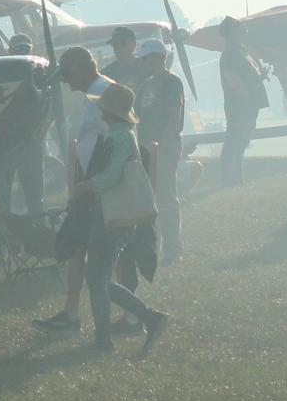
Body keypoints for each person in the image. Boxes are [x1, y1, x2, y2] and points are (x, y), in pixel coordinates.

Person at [79, 83, 169, 353]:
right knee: (100, 279)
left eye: (103, 106)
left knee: (97, 279)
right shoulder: (125, 134)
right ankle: (148, 319)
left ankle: (105, 339)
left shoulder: (117, 138)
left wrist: (87, 185)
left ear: (110, 111)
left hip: (112, 215)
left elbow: (111, 177)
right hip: (121, 216)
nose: (100, 110)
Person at [33, 46, 113, 333]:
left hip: (97, 185)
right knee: (78, 248)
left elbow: (112, 141)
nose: (65, 81)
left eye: (67, 74)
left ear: (80, 67)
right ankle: (71, 313)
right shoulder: (97, 92)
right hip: (90, 182)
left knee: (95, 253)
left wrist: (89, 185)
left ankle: (129, 317)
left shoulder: (101, 93)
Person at [133, 38, 186, 263]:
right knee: (149, 200)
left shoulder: (172, 82)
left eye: (148, 58)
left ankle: (173, 251)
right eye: (143, 59)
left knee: (166, 198)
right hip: (145, 146)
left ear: (160, 57)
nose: (145, 62)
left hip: (165, 146)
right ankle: (152, 248)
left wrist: (162, 146)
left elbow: (174, 117)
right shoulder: (146, 83)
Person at [0, 33, 48, 214]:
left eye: (26, 48)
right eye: (18, 48)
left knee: (35, 195)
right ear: (10, 51)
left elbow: (49, 104)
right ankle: (3, 227)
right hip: (6, 142)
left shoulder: (40, 73)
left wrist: (42, 130)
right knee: (1, 196)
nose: (23, 51)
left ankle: (38, 223)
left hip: (31, 141)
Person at [217, 16, 269, 186]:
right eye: (238, 25)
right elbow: (231, 77)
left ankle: (236, 177)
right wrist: (244, 97)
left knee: (242, 141)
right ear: (232, 32)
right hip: (240, 104)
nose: (243, 27)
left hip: (249, 103)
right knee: (235, 140)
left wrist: (260, 75)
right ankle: (229, 178)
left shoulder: (240, 50)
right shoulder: (231, 53)